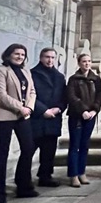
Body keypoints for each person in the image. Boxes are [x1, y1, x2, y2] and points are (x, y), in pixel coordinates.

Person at [0, 44, 37, 203]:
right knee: (3, 152)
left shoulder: (25, 72)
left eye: (23, 54)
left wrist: (29, 107)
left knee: (28, 147)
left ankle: (23, 187)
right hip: (5, 116)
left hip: (23, 116)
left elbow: (32, 92)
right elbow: (1, 96)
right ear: (8, 55)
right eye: (16, 54)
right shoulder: (0, 71)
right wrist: (21, 108)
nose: (20, 57)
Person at [30, 48, 67, 188]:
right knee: (29, 150)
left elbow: (64, 97)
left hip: (53, 118)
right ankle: (23, 178)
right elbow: (29, 95)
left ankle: (45, 176)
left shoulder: (59, 76)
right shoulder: (32, 74)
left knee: (49, 151)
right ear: (41, 57)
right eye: (47, 57)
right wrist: (43, 110)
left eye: (52, 57)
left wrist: (58, 109)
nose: (50, 60)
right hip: (37, 118)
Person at [66, 53, 101, 187]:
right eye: (84, 61)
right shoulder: (73, 79)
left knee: (85, 145)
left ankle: (82, 172)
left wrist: (94, 110)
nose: (87, 64)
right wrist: (83, 110)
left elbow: (100, 95)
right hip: (77, 116)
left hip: (91, 116)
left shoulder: (96, 79)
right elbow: (72, 96)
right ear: (79, 63)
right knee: (74, 146)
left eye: (88, 61)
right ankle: (73, 175)